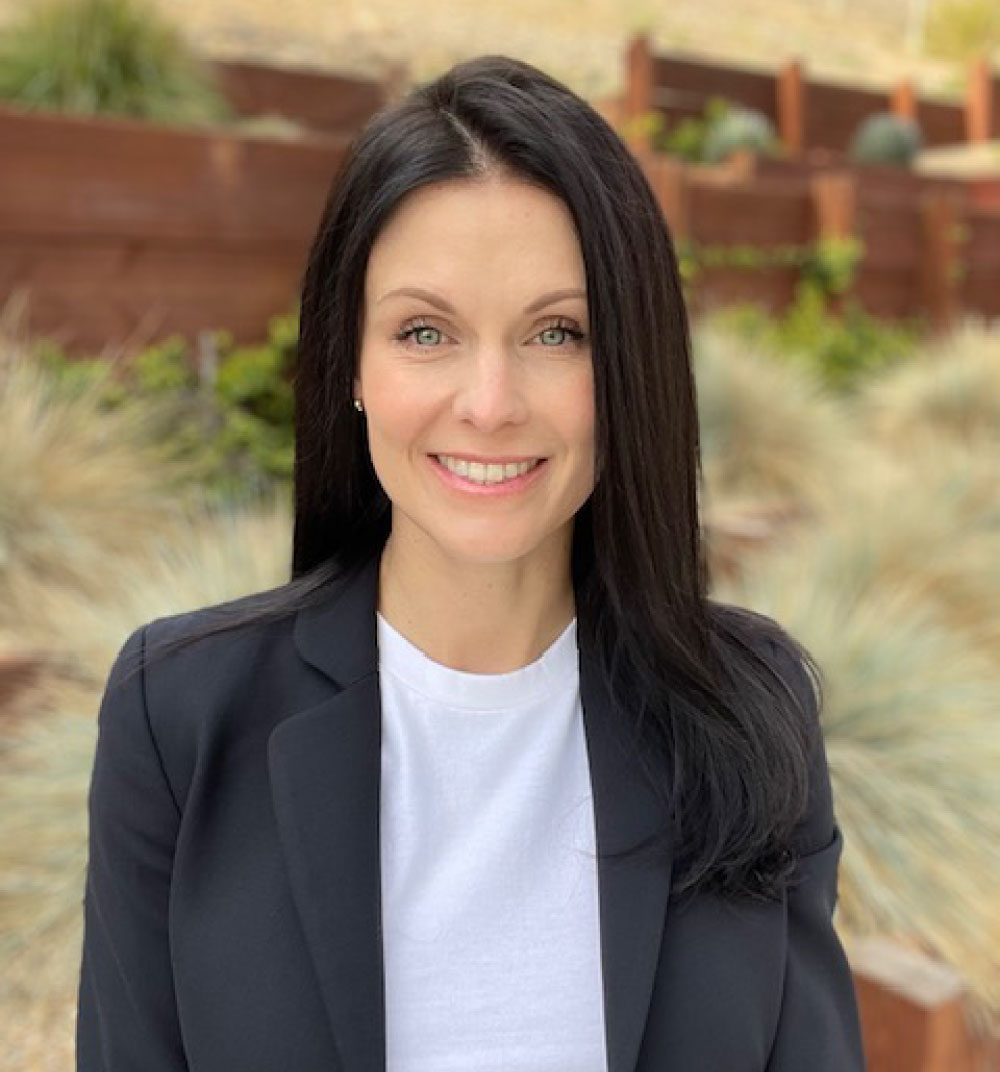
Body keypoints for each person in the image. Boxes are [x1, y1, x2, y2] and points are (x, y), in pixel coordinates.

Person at [76, 54, 866, 1072]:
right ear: (350, 364)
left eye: (556, 332)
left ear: (628, 364)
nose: (489, 403)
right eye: (424, 331)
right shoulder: (180, 717)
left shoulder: (750, 712)